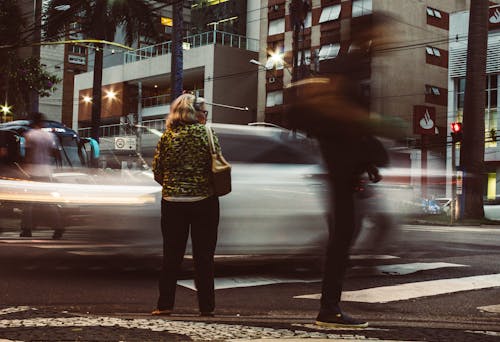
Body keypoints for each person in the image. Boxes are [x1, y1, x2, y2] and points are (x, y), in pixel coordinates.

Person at [284, 14, 401, 328]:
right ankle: (328, 307)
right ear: (370, 34)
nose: (391, 39)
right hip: (338, 165)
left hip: (347, 165)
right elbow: (335, 108)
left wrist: (367, 161)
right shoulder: (348, 65)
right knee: (342, 234)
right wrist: (373, 125)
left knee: (345, 232)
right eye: (384, 32)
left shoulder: (358, 65)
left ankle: (329, 304)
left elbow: (349, 121)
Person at [151, 94, 220, 317]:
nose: (206, 116)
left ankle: (164, 305)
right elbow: (217, 164)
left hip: (172, 203)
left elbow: (157, 171)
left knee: (171, 255)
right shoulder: (207, 133)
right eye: (204, 111)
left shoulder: (167, 137)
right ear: (195, 112)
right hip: (204, 201)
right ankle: (206, 307)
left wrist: (175, 186)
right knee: (204, 256)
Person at [21, 112, 64, 239]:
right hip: (46, 173)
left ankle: (26, 229)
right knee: (49, 203)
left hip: (33, 173)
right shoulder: (50, 136)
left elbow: (27, 156)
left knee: (28, 204)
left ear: (33, 122)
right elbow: (55, 154)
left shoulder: (30, 135)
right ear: (42, 122)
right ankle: (58, 227)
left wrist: (24, 170)